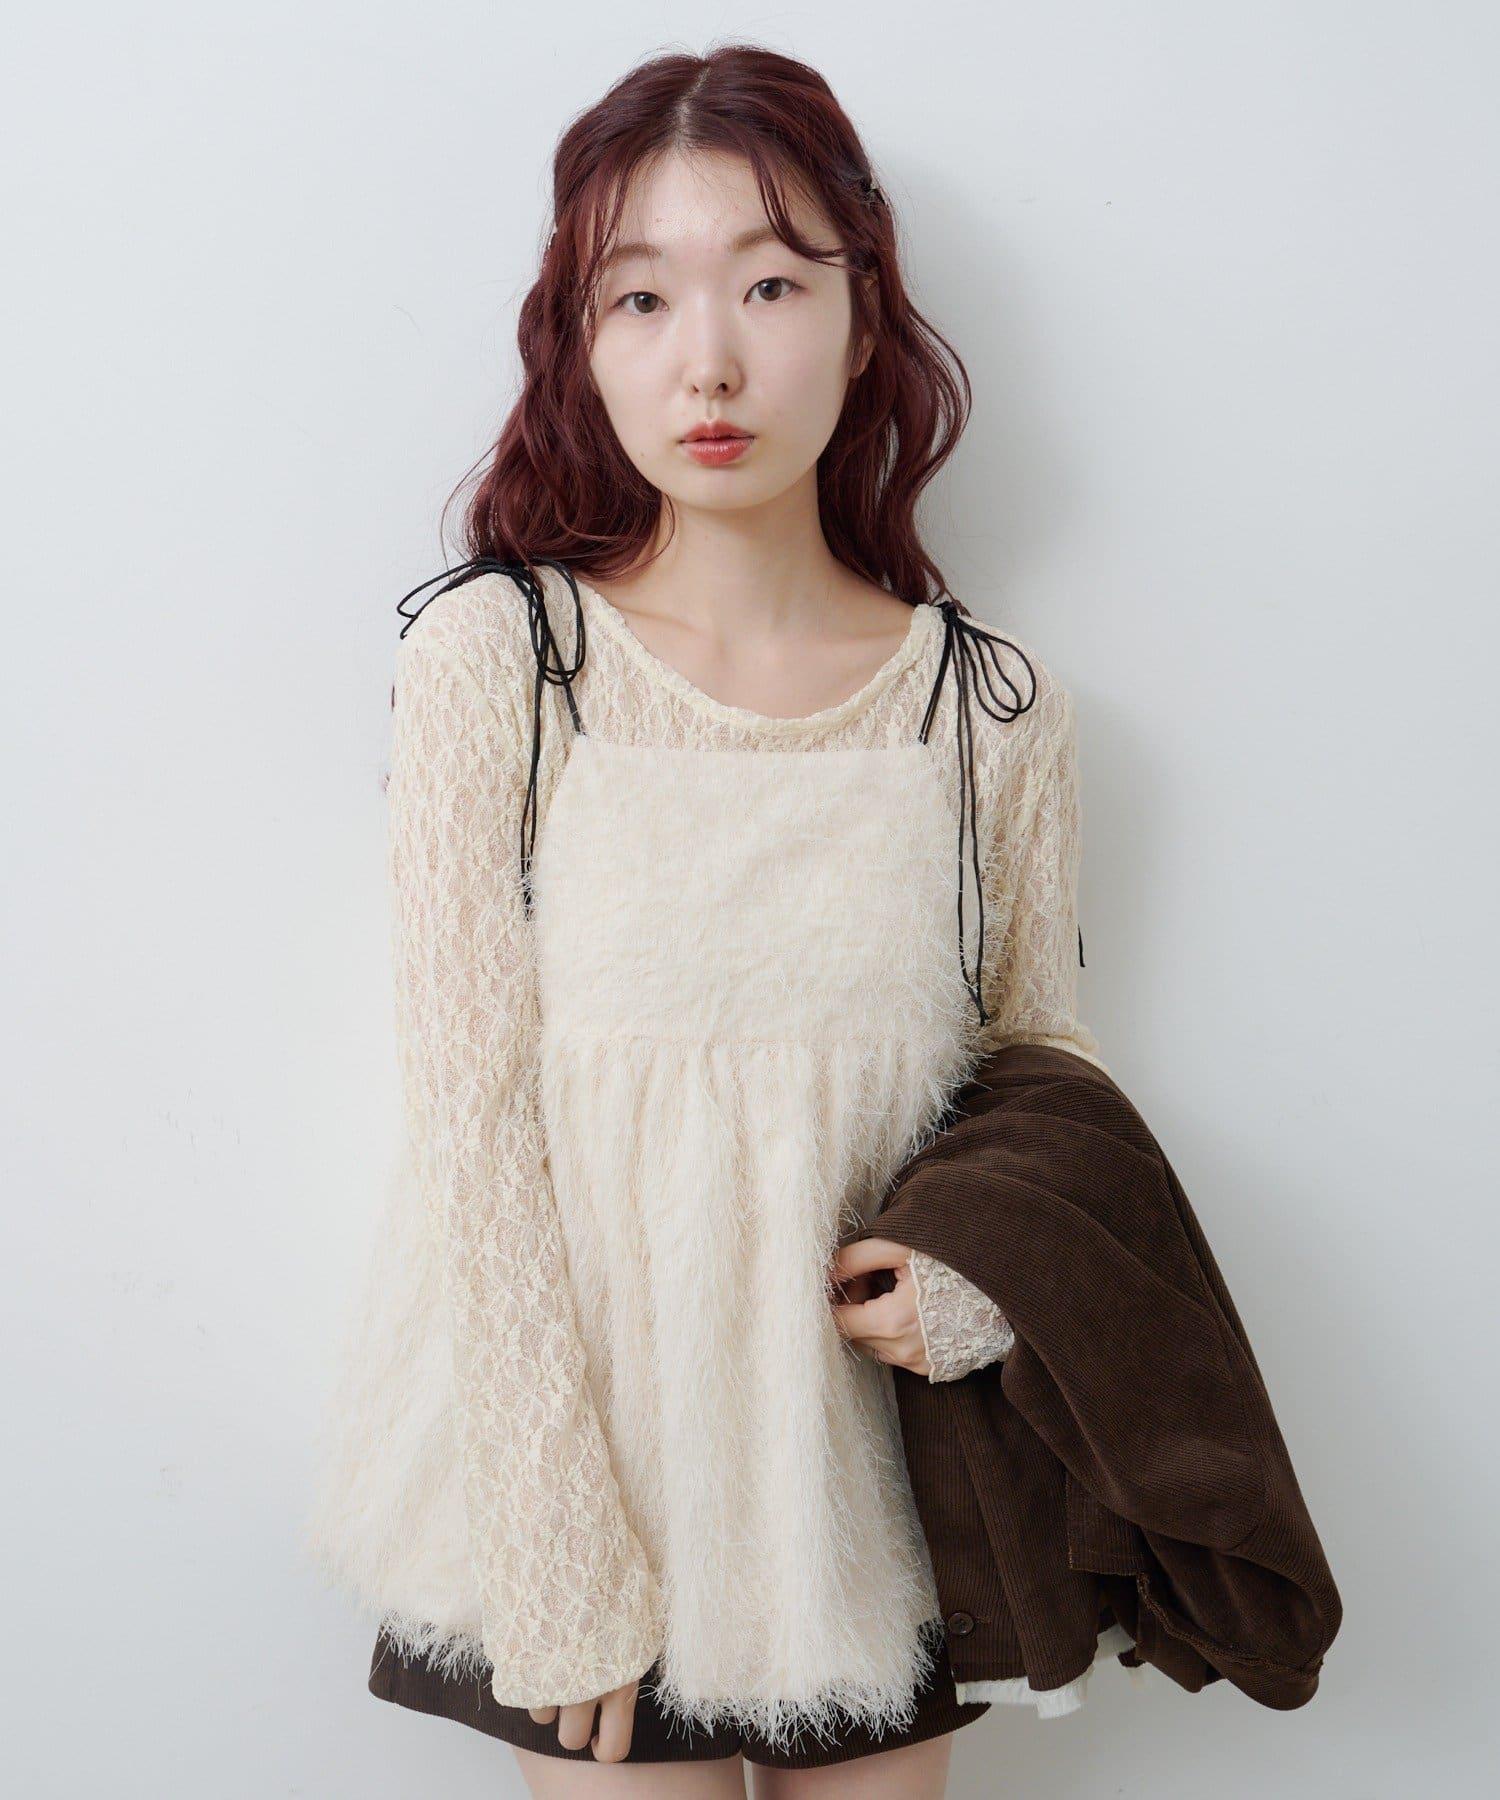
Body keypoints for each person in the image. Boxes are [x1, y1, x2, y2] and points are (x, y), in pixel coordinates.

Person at [305, 41, 1109, 1797]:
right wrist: (554, 1537)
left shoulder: (989, 707)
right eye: (642, 297)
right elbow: (471, 1115)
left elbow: (1040, 1065)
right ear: (582, 343)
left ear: (864, 314)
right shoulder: (505, 659)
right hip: (589, 1466)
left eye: (770, 284)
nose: (710, 361)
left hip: (876, 1482)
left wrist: (981, 1285)